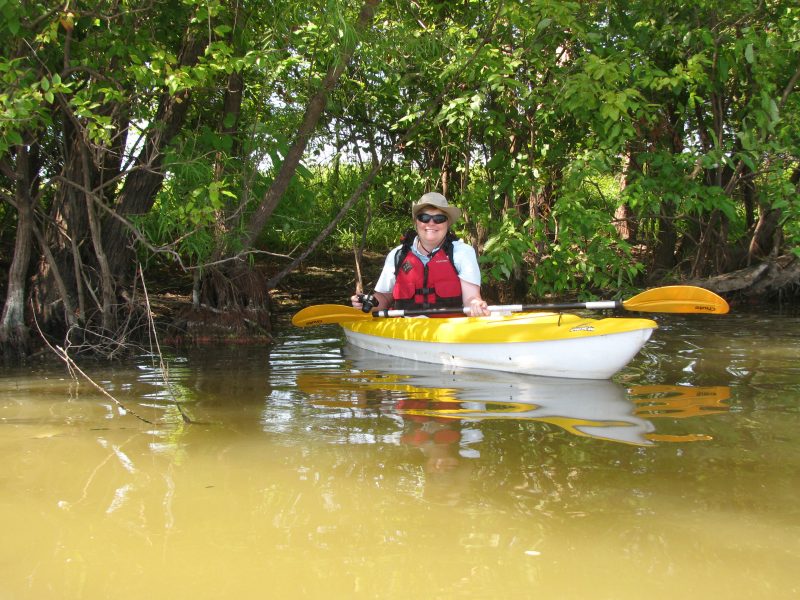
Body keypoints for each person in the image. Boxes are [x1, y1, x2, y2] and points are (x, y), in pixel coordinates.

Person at [351, 192, 491, 317]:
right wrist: (369, 302)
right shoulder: (397, 255)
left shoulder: (462, 253)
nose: (431, 223)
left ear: (447, 223)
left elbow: (471, 297)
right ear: (416, 222)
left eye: (439, 218)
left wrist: (475, 304)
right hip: (406, 330)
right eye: (424, 217)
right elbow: (384, 297)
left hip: (449, 330)